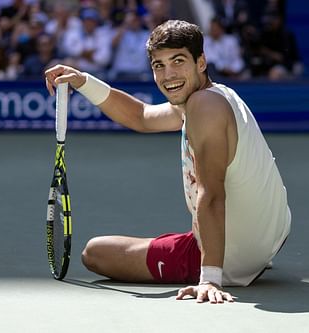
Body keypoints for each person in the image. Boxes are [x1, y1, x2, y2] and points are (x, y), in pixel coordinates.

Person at [44, 20, 291, 304]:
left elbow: (211, 194)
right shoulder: (216, 97)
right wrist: (83, 80)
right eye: (159, 65)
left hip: (236, 258)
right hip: (272, 234)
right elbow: (141, 116)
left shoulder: (203, 107)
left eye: (178, 61)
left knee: (95, 253)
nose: (168, 74)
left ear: (201, 62)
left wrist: (210, 278)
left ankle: (219, 264)